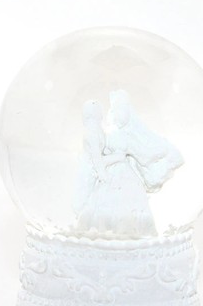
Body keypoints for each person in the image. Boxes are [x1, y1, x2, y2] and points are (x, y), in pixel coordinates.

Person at [73, 91, 183, 238]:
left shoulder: (118, 136)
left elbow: (142, 156)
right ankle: (109, 233)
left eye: (119, 110)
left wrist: (161, 153)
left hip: (119, 175)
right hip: (114, 174)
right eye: (115, 110)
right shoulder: (109, 134)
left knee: (119, 204)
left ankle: (119, 234)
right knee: (113, 204)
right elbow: (140, 156)